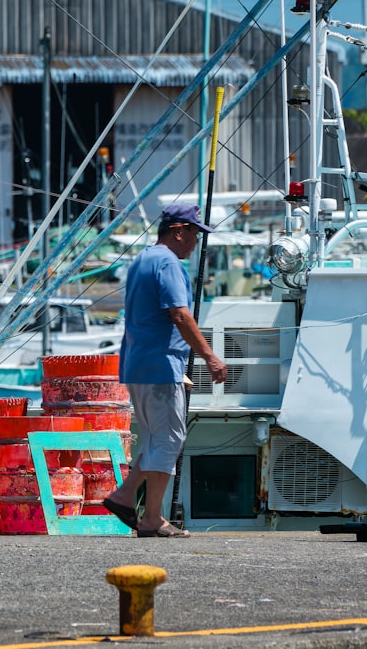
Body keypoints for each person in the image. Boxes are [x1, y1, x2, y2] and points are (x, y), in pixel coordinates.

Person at [103, 202, 228, 538]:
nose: (195, 243)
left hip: (137, 363)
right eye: (194, 234)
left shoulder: (143, 259)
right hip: (160, 365)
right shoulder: (168, 263)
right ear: (178, 231)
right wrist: (210, 357)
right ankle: (148, 515)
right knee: (171, 439)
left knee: (157, 440)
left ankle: (132, 501)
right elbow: (180, 315)